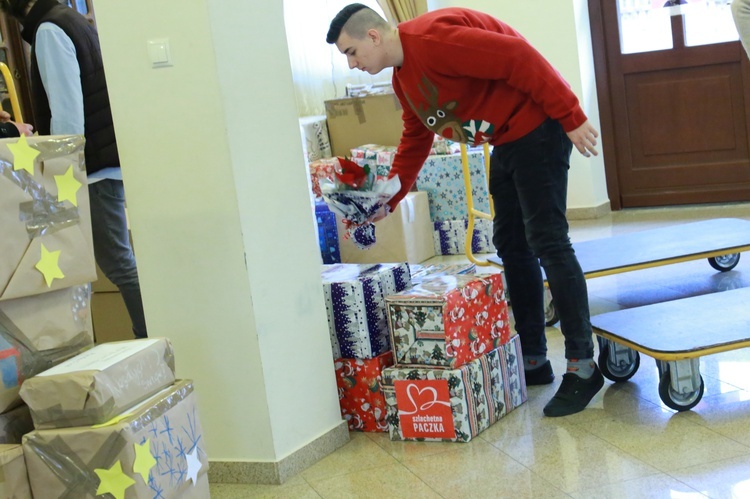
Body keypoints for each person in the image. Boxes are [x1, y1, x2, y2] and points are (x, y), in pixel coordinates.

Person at [327, 5, 603, 417]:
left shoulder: (433, 40)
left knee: (547, 240)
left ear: (373, 37)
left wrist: (571, 117)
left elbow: (518, 57)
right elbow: (415, 139)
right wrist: (388, 200)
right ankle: (533, 357)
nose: (352, 64)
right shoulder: (404, 82)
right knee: (510, 242)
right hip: (508, 141)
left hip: (539, 128)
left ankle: (582, 367)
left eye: (351, 52)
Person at [0, 0, 147, 339]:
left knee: (118, 264)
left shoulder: (50, 30)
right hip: (100, 163)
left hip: (89, 170)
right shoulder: (72, 20)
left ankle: (150, 337)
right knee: (118, 262)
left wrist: (56, 175)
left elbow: (68, 118)